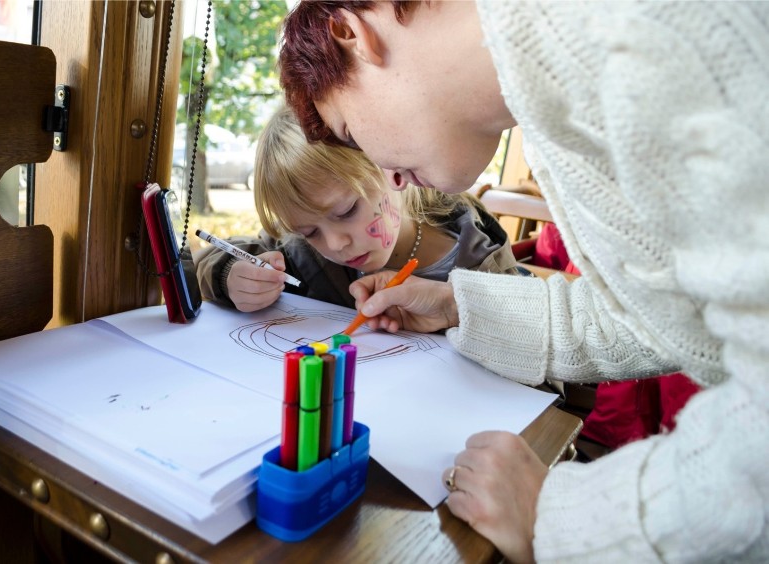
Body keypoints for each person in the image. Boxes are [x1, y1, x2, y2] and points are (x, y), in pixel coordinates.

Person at [278, 1, 769, 562]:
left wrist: (565, 518)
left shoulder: (646, 33)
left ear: (351, 33)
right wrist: (459, 309)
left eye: (350, 130)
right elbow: (665, 314)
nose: (386, 173)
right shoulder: (555, 104)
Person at [194, 106, 518, 313]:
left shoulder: (481, 262)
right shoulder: (304, 256)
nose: (334, 244)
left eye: (347, 210)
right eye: (309, 232)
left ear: (390, 166)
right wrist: (230, 276)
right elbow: (207, 260)